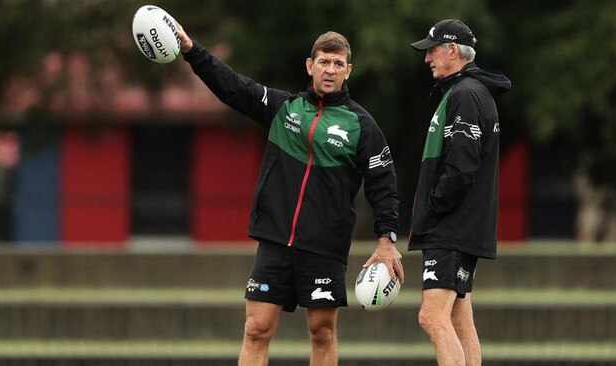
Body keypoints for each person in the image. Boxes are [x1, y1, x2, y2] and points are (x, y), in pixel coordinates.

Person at [174, 23, 404, 366]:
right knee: (256, 328)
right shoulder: (285, 109)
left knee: (322, 332)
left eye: (338, 64)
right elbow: (232, 87)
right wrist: (192, 50)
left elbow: (383, 183)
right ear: (310, 66)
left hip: (324, 244)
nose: (330, 70)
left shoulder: (362, 126)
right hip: (276, 239)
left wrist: (386, 239)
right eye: (324, 62)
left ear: (348, 71)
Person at [408, 19, 511, 366]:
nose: (427, 59)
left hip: (451, 226)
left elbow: (461, 168)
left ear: (452, 51)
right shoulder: (469, 91)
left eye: (433, 51)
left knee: (431, 316)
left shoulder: (466, 94)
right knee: (458, 318)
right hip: (461, 226)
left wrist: (433, 208)